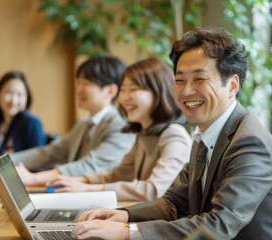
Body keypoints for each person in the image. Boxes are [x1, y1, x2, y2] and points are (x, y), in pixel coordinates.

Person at [70, 28, 272, 239]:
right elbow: (173, 203)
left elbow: (219, 225)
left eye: (199, 79)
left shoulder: (250, 143)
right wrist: (123, 216)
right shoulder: (205, 135)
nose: (187, 91)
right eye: (179, 80)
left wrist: (128, 232)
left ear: (232, 85)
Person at [46, 57, 192, 201]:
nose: (125, 97)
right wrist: (81, 181)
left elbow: (152, 190)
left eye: (133, 89)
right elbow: (117, 175)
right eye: (123, 89)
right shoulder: (143, 133)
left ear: (158, 92)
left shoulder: (174, 135)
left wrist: (89, 189)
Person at [11, 56, 135, 186]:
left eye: (86, 83)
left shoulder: (121, 127)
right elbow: (52, 153)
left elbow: (89, 166)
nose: (78, 89)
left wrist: (34, 179)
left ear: (110, 91)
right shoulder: (83, 124)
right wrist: (6, 162)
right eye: (78, 82)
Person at [0, 71, 46, 155]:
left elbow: (39, 161)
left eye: (19, 94)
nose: (13, 100)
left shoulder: (32, 124)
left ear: (27, 98)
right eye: (9, 92)